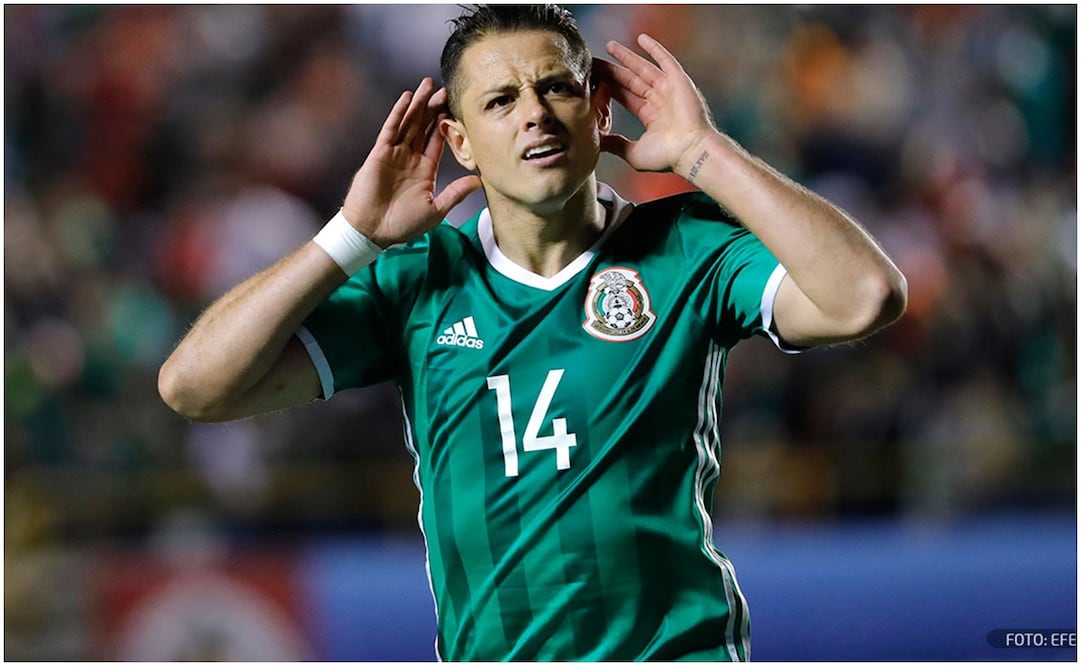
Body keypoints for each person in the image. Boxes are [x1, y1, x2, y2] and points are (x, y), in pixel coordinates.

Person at [159, 5, 907, 661]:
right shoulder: (416, 282)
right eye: (500, 100)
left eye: (557, 87)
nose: (534, 115)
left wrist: (701, 153)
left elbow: (863, 297)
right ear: (458, 141)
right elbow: (193, 387)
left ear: (600, 110)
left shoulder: (686, 247)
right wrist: (352, 235)